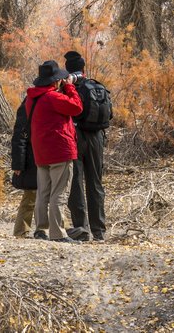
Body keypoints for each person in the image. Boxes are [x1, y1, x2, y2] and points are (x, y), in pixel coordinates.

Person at [26, 60, 83, 243]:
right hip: (60, 150)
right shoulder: (53, 97)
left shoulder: (32, 98)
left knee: (43, 192)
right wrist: (70, 88)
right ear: (55, 81)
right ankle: (58, 233)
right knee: (59, 192)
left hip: (41, 151)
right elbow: (76, 108)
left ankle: (41, 229)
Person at [63, 51, 112, 242]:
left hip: (76, 136)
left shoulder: (69, 87)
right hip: (97, 138)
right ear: (84, 69)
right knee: (95, 183)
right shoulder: (98, 86)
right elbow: (110, 114)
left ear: (67, 70)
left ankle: (81, 228)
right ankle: (99, 230)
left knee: (76, 183)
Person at [10, 90, 49, 239]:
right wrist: (18, 164)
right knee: (31, 195)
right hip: (31, 158)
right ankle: (21, 231)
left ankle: (51, 229)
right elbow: (19, 136)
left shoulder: (48, 100)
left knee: (54, 195)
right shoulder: (28, 104)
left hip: (45, 155)